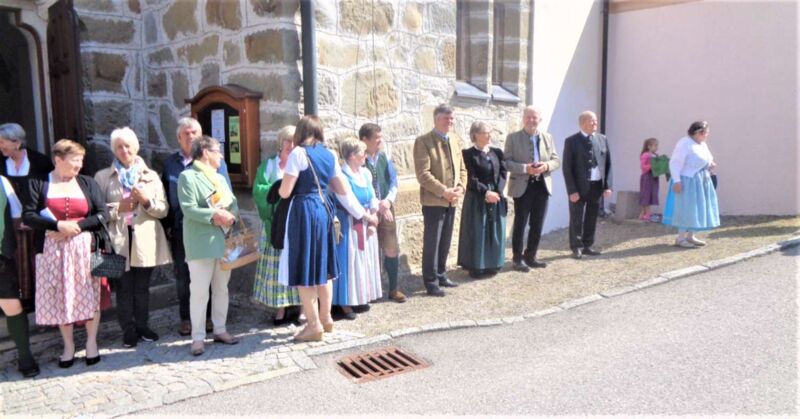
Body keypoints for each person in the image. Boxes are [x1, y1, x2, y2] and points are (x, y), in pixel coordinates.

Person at [23, 140, 108, 368]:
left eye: (81, 160)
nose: (79, 165)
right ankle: (68, 346)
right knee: (61, 296)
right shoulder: (39, 183)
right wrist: (58, 226)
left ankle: (91, 342)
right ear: (58, 160)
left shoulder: (87, 183)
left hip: (85, 249)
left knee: (90, 295)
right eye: (75, 161)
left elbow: (103, 214)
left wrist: (76, 226)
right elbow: (29, 216)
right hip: (53, 251)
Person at [278, 115, 359, 342]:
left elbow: (285, 191)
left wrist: (281, 184)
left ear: (300, 132)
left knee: (304, 267)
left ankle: (313, 325)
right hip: (324, 210)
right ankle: (326, 317)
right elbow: (341, 188)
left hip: (304, 211)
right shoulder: (329, 154)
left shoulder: (298, 153)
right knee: (323, 267)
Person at [94, 127, 171, 348]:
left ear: (135, 147)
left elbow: (163, 210)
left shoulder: (151, 176)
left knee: (141, 287)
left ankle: (143, 326)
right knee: (123, 288)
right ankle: (127, 330)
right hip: (115, 240)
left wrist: (147, 201)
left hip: (144, 239)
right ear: (114, 150)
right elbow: (96, 212)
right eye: (119, 147)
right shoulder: (102, 177)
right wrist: (119, 208)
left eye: (127, 146)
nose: (124, 150)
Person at [161, 117, 231, 337]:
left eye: (195, 133)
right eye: (186, 133)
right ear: (179, 137)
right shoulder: (171, 164)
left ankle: (211, 320)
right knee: (184, 276)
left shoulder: (217, 166)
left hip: (214, 229)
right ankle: (187, 320)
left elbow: (227, 195)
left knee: (215, 280)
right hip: (182, 228)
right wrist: (167, 226)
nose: (191, 136)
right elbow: (166, 196)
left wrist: (225, 215)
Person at [177, 136, 240, 356]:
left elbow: (233, 203)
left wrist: (231, 215)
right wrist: (216, 215)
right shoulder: (188, 177)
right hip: (201, 243)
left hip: (223, 241)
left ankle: (220, 329)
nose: (221, 155)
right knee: (199, 292)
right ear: (205, 152)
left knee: (222, 289)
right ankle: (198, 338)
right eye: (217, 151)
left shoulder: (220, 178)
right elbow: (188, 209)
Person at [413, 104, 467, 297]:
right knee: (432, 243)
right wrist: (444, 191)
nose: (450, 122)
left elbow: (462, 168)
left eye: (452, 118)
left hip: (452, 200)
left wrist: (461, 187)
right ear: (436, 119)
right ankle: (431, 281)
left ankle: (442, 274)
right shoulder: (423, 141)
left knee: (445, 241)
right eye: (446, 118)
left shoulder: (455, 139)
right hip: (434, 201)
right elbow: (423, 174)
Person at [251, 125, 302, 326]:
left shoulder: (301, 164)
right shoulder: (269, 166)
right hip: (275, 224)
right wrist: (279, 191)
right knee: (277, 266)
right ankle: (281, 307)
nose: (291, 144)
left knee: (297, 264)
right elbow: (259, 190)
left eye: (295, 141)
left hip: (296, 222)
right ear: (281, 142)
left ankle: (301, 307)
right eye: (288, 140)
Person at [0, 123, 54, 308]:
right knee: (13, 261)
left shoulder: (40, 162)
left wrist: (34, 218)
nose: (0, 146)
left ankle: (39, 302)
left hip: (37, 221)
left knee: (36, 260)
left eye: (2, 142)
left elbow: (48, 192)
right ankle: (17, 303)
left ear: (16, 142)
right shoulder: (1, 163)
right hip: (9, 222)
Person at [503, 107, 561, 271]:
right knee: (520, 223)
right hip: (523, 186)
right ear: (523, 118)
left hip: (542, 185)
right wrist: (525, 168)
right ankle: (517, 259)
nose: (531, 120)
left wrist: (546, 166)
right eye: (528, 117)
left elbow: (556, 160)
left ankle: (531, 256)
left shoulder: (548, 137)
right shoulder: (513, 138)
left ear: (539, 120)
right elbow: (506, 162)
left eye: (534, 117)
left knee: (537, 223)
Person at [332, 138, 381, 319]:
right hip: (349, 223)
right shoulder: (342, 177)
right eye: (362, 152)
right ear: (352, 156)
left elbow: (373, 196)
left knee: (364, 260)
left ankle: (360, 297)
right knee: (350, 260)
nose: (365, 156)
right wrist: (368, 218)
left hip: (366, 221)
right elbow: (349, 203)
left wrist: (374, 216)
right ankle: (344, 302)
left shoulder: (365, 173)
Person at [360, 123, 406, 303]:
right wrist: (376, 204)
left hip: (386, 208)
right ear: (365, 139)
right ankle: (370, 292)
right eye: (376, 137)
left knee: (391, 248)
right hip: (367, 210)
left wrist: (387, 201)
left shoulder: (384, 158)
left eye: (380, 137)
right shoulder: (358, 158)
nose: (380, 140)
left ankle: (393, 289)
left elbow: (393, 181)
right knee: (368, 251)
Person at [0, 174, 39, 377]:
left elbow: (17, 215)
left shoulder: (1, 182)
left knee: (11, 304)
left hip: (1, 255)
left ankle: (25, 357)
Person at [457, 122, 508, 278]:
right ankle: (476, 266)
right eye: (486, 132)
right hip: (477, 197)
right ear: (476, 135)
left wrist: (497, 192)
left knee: (495, 229)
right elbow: (470, 177)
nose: (490, 135)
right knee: (479, 229)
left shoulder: (497, 152)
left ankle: (493, 264)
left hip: (496, 195)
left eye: (490, 132)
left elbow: (503, 173)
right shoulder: (468, 154)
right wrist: (486, 192)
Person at [562, 111, 613, 259]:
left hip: (596, 186)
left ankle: (587, 245)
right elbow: (567, 168)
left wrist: (608, 186)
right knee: (576, 217)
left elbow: (608, 164)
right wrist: (571, 190)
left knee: (592, 217)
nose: (595, 123)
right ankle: (576, 247)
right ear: (583, 123)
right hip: (578, 188)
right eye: (592, 121)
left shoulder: (602, 139)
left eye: (596, 120)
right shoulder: (571, 141)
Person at [663, 121, 720, 248]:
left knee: (697, 207)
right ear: (699, 132)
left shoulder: (702, 144)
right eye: (706, 133)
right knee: (686, 208)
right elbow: (675, 163)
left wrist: (710, 163)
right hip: (687, 180)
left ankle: (691, 236)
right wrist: (677, 181)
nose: (707, 135)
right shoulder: (684, 143)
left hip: (701, 179)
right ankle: (680, 238)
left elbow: (708, 158)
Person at [639, 137, 660, 222]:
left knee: (651, 195)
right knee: (645, 195)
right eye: (655, 145)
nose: (656, 147)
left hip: (654, 178)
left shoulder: (656, 155)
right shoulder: (646, 155)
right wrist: (651, 165)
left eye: (657, 145)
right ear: (648, 146)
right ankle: (645, 214)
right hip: (647, 177)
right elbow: (642, 166)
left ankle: (646, 214)